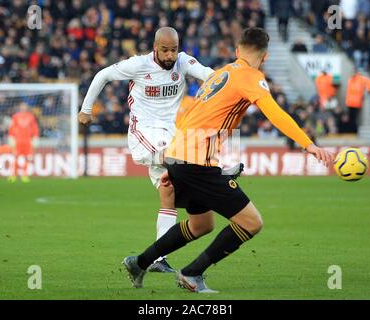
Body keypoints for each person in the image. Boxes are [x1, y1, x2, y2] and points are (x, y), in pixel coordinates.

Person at [122, 27, 334, 293]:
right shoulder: (251, 77)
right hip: (195, 161)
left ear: (237, 51)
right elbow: (274, 113)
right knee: (251, 222)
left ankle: (139, 263)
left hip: (182, 156)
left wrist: (174, 161)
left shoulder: (222, 73)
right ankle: (191, 274)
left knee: (201, 224)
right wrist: (308, 144)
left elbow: (192, 113)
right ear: (265, 57)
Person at [78, 27, 214, 273]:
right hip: (145, 132)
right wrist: (86, 109)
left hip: (172, 133)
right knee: (176, 160)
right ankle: (218, 174)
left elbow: (208, 74)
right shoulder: (138, 65)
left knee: (168, 190)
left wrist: (226, 85)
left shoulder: (182, 62)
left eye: (174, 49)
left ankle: (157, 258)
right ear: (155, 48)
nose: (170, 55)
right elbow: (103, 75)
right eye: (165, 50)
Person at [8, 102, 39, 183]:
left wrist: (35, 137)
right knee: (15, 158)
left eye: (24, 106)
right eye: (22, 106)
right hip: (18, 141)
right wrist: (11, 138)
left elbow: (34, 128)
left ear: (26, 107)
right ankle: (13, 175)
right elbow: (11, 127)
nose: (23, 108)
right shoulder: (15, 116)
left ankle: (24, 175)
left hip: (27, 141)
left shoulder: (31, 116)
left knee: (26, 159)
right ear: (19, 107)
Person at [345, 69, 370, 133]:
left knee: (354, 118)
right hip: (349, 102)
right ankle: (350, 131)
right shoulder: (350, 80)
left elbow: (368, 82)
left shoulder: (361, 79)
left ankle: (354, 131)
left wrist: (369, 90)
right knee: (350, 118)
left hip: (356, 102)